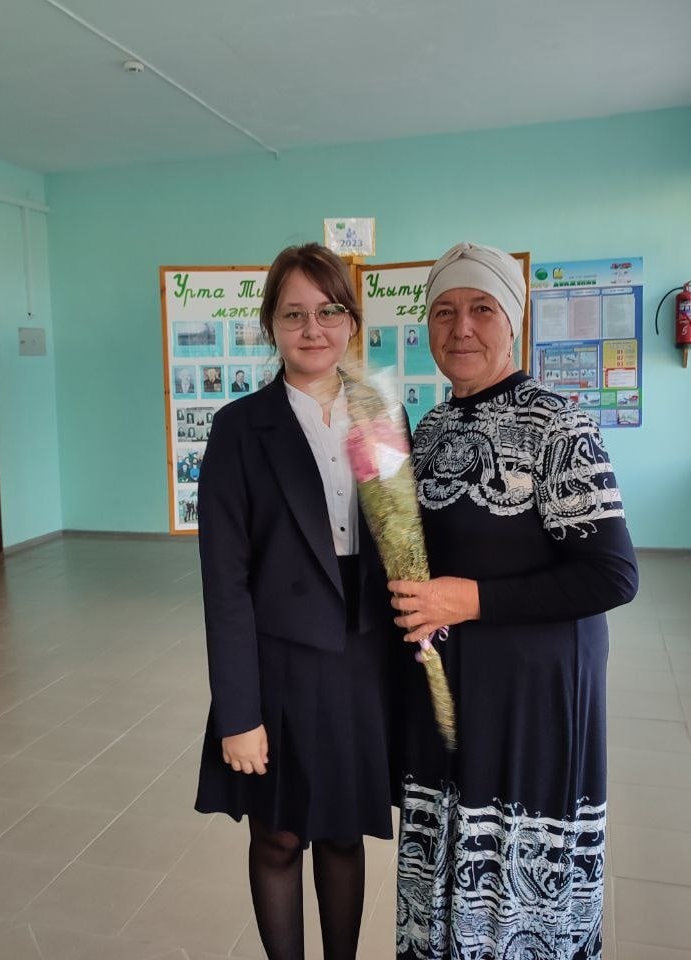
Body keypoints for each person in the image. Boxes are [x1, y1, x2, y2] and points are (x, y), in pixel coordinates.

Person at [389, 242, 638, 960]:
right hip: (449, 697)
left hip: (534, 701)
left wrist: (473, 601)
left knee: (515, 892)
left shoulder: (559, 425)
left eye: (481, 309)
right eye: (444, 312)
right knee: (444, 878)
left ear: (514, 322)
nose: (461, 327)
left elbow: (613, 575)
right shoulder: (432, 430)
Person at [195, 243, 397, 960]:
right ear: (271, 326)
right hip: (277, 662)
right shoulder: (239, 428)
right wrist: (239, 715)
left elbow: (401, 545)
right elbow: (224, 584)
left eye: (329, 311)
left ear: (351, 321)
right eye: (294, 314)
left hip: (360, 658)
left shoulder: (382, 416)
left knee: (342, 833)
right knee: (279, 836)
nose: (313, 329)